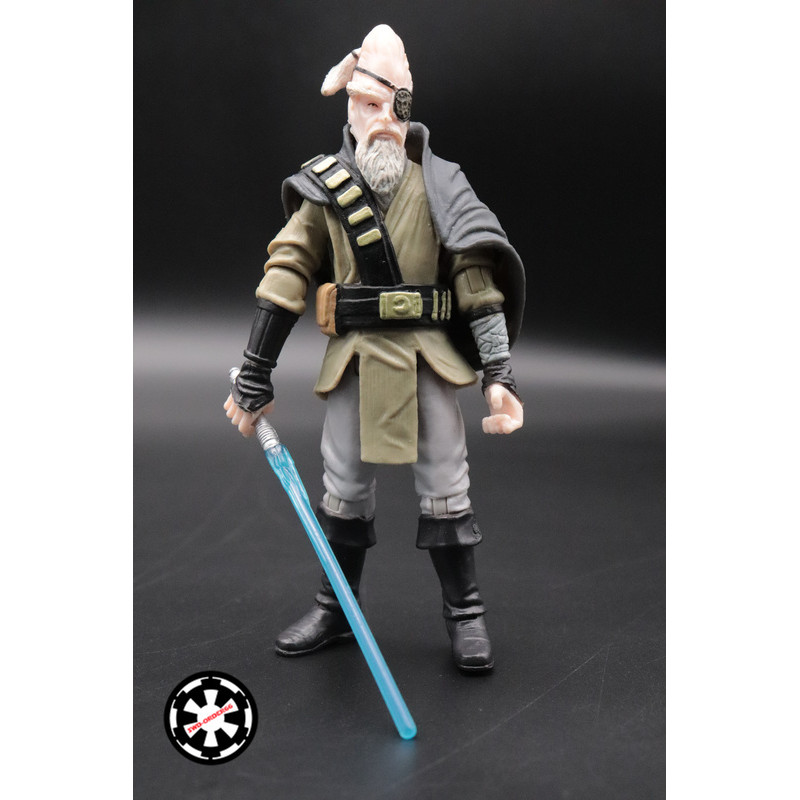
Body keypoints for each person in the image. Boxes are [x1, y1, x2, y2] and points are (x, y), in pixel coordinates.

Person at [225, 24, 525, 673]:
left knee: (446, 488)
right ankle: (336, 608)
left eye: (388, 105)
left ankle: (465, 613)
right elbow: (286, 275)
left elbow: (477, 284)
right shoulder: (324, 190)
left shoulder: (443, 185)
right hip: (355, 363)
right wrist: (255, 373)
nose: (377, 119)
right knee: (343, 492)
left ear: (407, 108)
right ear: (349, 110)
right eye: (363, 105)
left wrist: (498, 374)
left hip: (427, 364)